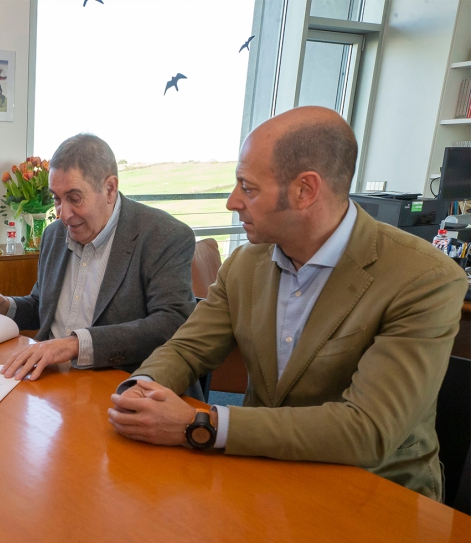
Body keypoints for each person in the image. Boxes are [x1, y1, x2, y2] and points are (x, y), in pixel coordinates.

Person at [108, 106, 468, 500]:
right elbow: (187, 348)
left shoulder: (424, 278)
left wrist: (202, 423)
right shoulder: (245, 264)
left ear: (305, 190)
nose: (231, 201)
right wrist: (142, 386)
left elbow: (367, 429)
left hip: (375, 496)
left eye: (247, 187)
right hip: (263, 478)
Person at [0, 133, 196, 380]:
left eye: (74, 198)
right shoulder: (54, 235)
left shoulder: (163, 236)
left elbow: (171, 323)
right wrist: (5, 306)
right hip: (48, 381)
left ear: (110, 189)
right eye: (56, 199)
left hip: (119, 385)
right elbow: (43, 306)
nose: (63, 214)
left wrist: (74, 344)